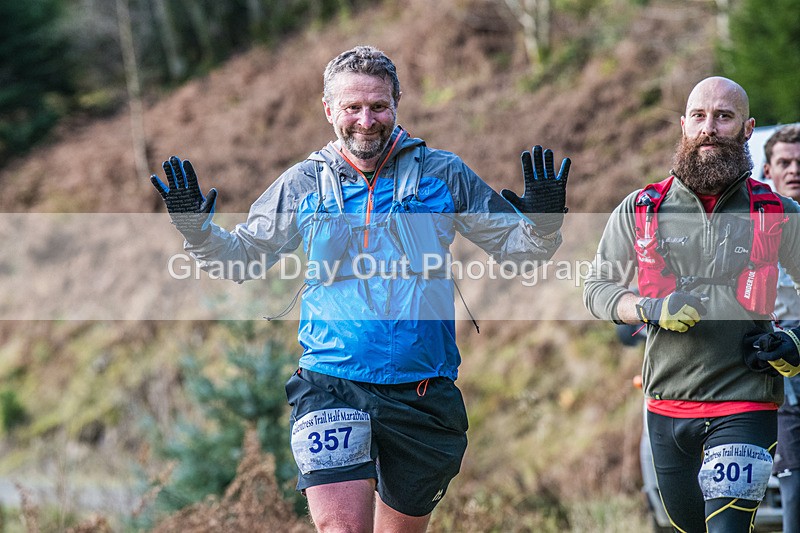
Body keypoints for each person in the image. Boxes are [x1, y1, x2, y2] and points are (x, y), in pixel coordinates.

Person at [150, 45, 570, 532]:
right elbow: (242, 259)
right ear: (330, 111)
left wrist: (543, 226)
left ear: (396, 105)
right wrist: (198, 233)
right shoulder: (303, 183)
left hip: (422, 392)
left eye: (378, 106)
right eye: (352, 107)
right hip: (332, 385)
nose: (366, 120)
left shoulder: (443, 175)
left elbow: (519, 251)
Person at [583, 76, 800, 532]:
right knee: (688, 527)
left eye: (724, 117)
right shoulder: (641, 208)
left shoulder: (778, 212)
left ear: (746, 129)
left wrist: (795, 341)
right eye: (699, 116)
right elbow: (597, 289)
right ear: (683, 125)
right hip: (666, 405)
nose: (709, 128)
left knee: (725, 528)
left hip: (746, 402)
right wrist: (648, 309)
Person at [763, 124, 800, 533]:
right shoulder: (754, 229)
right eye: (784, 163)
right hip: (784, 380)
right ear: (768, 171)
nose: (794, 170)